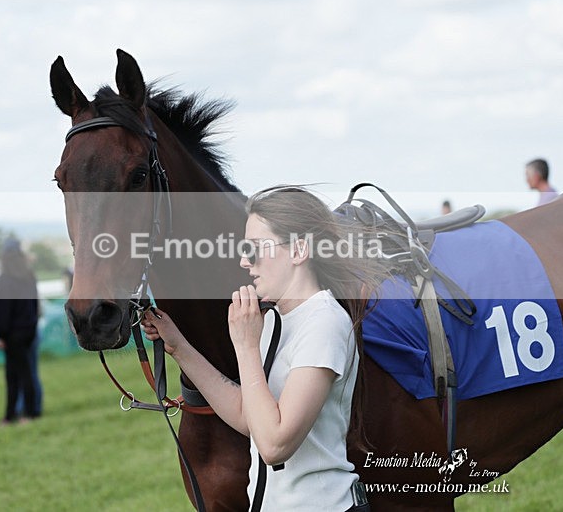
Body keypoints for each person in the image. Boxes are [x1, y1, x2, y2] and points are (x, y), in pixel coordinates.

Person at [141, 186, 385, 511]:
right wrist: (179, 348)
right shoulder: (275, 320)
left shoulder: (324, 323)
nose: (244, 261)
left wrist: (245, 346)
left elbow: (274, 443)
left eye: (254, 249)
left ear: (298, 250)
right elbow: (249, 415)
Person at [0, 238, 40, 425]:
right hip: (29, 331)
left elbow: (2, 310)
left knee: (14, 377)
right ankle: (27, 412)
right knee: (27, 373)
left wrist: (1, 334)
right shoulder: (29, 275)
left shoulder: (5, 280)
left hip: (12, 335)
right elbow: (34, 305)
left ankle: (17, 415)